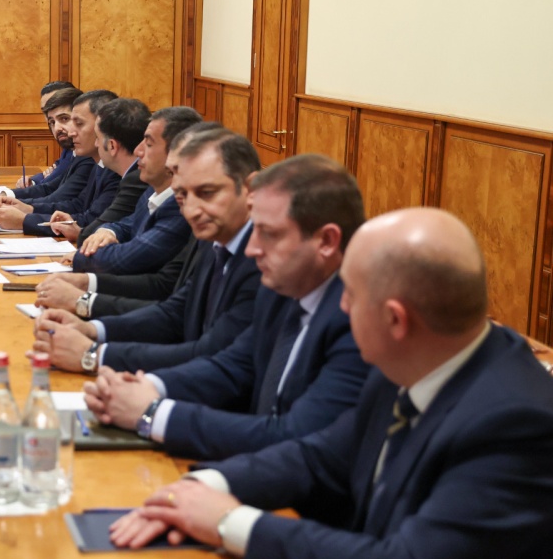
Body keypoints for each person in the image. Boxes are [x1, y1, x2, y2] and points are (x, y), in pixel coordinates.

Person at [108, 208, 553, 559]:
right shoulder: (409, 361)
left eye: (351, 294)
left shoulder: (515, 424)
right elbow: (319, 456)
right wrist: (199, 489)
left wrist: (228, 521)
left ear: (396, 321)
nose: (340, 306)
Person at [85, 154, 370, 461]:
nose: (252, 248)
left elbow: (294, 436)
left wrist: (153, 413)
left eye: (269, 234)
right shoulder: (285, 287)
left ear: (326, 241)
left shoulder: (358, 321)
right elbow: (234, 366)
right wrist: (149, 387)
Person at [33, 128, 262, 375]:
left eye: (207, 193)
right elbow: (177, 312)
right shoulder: (214, 237)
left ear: (250, 188)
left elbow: (214, 354)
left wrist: (93, 355)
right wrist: (92, 330)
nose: (192, 210)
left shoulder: (261, 259)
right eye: (182, 195)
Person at [36, 122, 226, 318]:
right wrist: (107, 233)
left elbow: (159, 286)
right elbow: (169, 295)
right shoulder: (156, 191)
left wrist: (83, 298)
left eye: (206, 192)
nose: (138, 151)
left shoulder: (181, 210)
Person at [70, 106, 200, 275]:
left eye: (149, 144)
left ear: (178, 154)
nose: (138, 151)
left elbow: (128, 258)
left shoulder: (179, 205)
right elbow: (128, 223)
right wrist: (107, 231)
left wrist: (81, 257)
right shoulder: (152, 190)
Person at [0, 90, 123, 234]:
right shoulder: (98, 164)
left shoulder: (115, 170)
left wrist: (24, 220)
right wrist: (26, 209)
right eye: (51, 122)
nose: (71, 132)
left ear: (102, 126)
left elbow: (90, 221)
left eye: (77, 123)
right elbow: (78, 205)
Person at [46, 97, 151, 243]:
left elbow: (99, 224)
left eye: (98, 138)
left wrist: (83, 235)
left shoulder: (136, 179)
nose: (71, 133)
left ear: (112, 146)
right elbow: (123, 225)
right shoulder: (108, 169)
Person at [15, 80, 79, 189]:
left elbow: (56, 180)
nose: (48, 115)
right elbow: (58, 167)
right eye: (45, 111)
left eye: (64, 118)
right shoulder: (69, 142)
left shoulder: (81, 146)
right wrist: (34, 181)